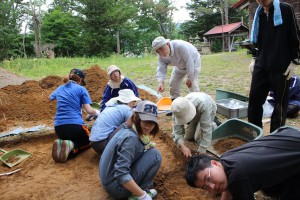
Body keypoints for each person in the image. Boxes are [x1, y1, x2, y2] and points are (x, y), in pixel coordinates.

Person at [185, 127, 300, 200]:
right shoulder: (225, 159)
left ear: (215, 163)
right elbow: (228, 187)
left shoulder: (238, 177)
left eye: (208, 179)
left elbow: (235, 181)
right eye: (205, 187)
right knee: (269, 189)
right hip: (289, 135)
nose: (212, 187)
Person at [248, 0, 300, 132]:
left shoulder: (285, 9)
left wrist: (295, 61)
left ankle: (275, 135)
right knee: (254, 100)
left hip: (281, 65)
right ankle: (255, 132)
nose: (260, 1)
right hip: (261, 63)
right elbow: (257, 37)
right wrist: (254, 57)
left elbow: (295, 35)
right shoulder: (258, 12)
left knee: (280, 104)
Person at [100, 101, 161, 199]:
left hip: (108, 180)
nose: (148, 126)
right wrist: (143, 196)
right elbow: (121, 173)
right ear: (137, 119)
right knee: (155, 155)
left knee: (148, 151)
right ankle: (140, 191)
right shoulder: (131, 139)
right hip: (116, 188)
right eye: (145, 121)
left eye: (152, 123)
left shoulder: (126, 128)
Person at [49, 68, 100, 163]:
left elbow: (50, 97)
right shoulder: (81, 89)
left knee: (69, 138)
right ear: (80, 80)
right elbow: (89, 110)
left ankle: (61, 142)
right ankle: (71, 146)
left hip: (59, 128)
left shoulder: (60, 88)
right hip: (75, 126)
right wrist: (98, 113)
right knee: (90, 142)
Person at [89, 89, 141, 154]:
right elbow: (134, 128)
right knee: (128, 127)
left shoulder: (111, 107)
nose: (134, 104)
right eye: (134, 101)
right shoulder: (126, 109)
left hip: (94, 144)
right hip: (103, 144)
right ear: (129, 101)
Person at [171, 92, 217, 157]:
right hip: (196, 108)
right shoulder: (177, 109)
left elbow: (206, 128)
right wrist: (182, 146)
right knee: (188, 137)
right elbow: (177, 131)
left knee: (197, 138)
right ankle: (196, 125)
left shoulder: (203, 105)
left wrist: (202, 149)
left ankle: (213, 125)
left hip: (209, 107)